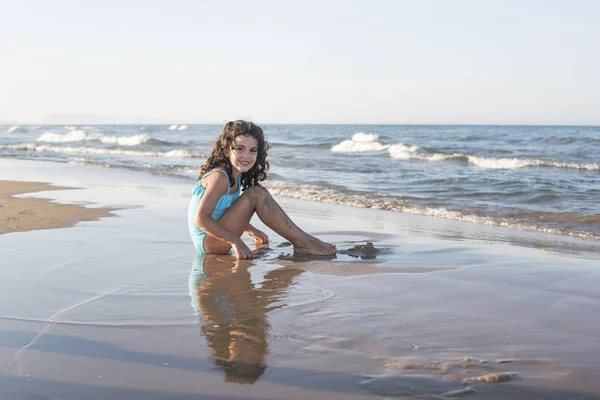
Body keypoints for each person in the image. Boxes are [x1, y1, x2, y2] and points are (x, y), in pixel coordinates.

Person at [188, 120, 336, 259]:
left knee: (259, 191)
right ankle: (304, 242)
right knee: (256, 194)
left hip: (213, 240)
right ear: (226, 150)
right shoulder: (220, 177)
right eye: (240, 149)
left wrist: (250, 229)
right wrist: (236, 242)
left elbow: (222, 211)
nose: (246, 155)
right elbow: (201, 219)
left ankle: (304, 240)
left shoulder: (235, 176)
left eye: (252, 150)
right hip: (208, 243)